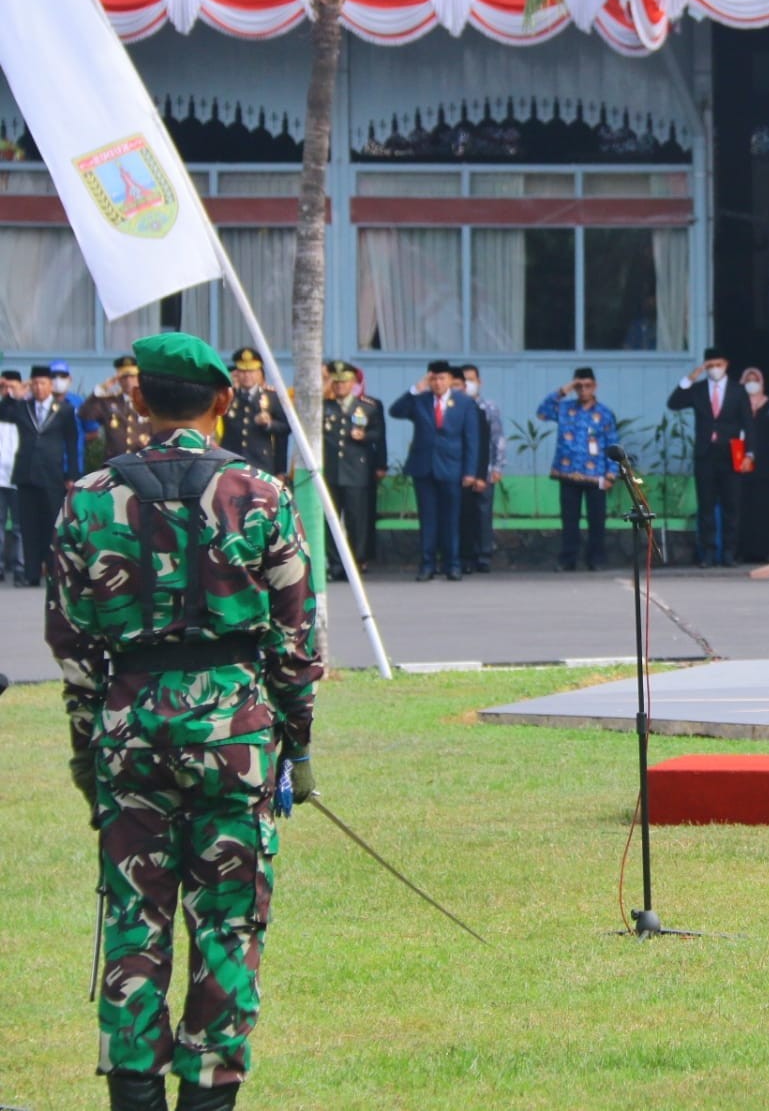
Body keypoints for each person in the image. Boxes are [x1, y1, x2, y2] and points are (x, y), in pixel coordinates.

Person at [44, 331, 322, 1111]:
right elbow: (296, 644)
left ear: (137, 398)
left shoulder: (87, 496)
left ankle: (134, 1095)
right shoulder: (261, 492)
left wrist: (86, 752)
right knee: (228, 927)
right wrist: (294, 748)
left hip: (129, 731)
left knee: (134, 919)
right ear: (223, 402)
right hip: (233, 738)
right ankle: (208, 1097)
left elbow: (69, 644)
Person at [390, 359, 479, 581]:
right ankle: (427, 564)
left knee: (451, 519)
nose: (438, 383)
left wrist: (470, 471)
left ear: (450, 379)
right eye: (434, 378)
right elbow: (395, 411)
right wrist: (415, 389)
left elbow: (472, 439)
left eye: (442, 378)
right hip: (424, 467)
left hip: (452, 468)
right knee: (427, 518)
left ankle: (452, 564)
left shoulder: (464, 403)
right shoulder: (420, 400)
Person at [667, 346, 753, 567]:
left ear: (726, 365)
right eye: (710, 366)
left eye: (718, 365)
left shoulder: (738, 391)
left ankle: (729, 553)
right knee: (706, 506)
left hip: (730, 454)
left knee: (731, 506)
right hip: (705, 454)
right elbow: (673, 403)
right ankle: (707, 552)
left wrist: (749, 454)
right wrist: (691, 377)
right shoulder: (697, 389)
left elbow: (748, 424)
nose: (715, 369)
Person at [0, 363, 80, 586]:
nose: (38, 387)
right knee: (28, 525)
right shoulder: (22, 407)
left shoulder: (63, 410)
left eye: (42, 383)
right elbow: (4, 412)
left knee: (51, 525)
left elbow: (72, 443)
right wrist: (9, 393)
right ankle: (31, 573)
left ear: (50, 385)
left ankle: (53, 571)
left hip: (52, 475)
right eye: (34, 383)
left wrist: (72, 473)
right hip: (26, 474)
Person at [537, 367, 619, 572]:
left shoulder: (605, 413)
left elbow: (612, 444)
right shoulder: (565, 409)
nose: (583, 390)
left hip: (596, 475)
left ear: (595, 386)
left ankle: (596, 559)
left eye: (587, 385)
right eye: (579, 386)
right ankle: (568, 560)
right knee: (569, 520)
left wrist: (611, 473)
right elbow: (542, 412)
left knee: (597, 520)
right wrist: (564, 390)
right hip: (568, 473)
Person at [321, 360, 386, 578]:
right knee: (330, 520)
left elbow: (378, 434)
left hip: (356, 472)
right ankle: (336, 563)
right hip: (331, 471)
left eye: (344, 382)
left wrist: (364, 436)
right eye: (336, 382)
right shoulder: (324, 407)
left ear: (352, 383)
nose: (340, 387)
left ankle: (356, 562)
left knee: (356, 521)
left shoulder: (367, 406)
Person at [736, 367, 769, 563]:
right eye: (748, 380)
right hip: (743, 464)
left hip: (768, 464)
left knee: (767, 508)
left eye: (755, 379)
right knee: (745, 508)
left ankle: (767, 550)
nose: (751, 383)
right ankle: (745, 551)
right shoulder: (738, 405)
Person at [460, 364, 505, 573]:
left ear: (479, 382)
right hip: (463, 472)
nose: (468, 384)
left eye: (472, 379)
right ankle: (466, 556)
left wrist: (496, 466)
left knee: (483, 513)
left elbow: (497, 439)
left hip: (485, 469)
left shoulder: (489, 407)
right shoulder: (457, 405)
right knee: (464, 516)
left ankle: (484, 555)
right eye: (464, 380)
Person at [220, 348, 287, 478]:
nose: (247, 375)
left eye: (251, 371)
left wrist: (269, 424)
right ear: (236, 373)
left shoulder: (271, 397)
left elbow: (285, 429)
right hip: (232, 462)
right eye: (243, 371)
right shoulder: (229, 397)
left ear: (259, 373)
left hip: (261, 464)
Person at [79, 355, 154, 461]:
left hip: (142, 461)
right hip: (115, 461)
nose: (128, 381)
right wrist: (101, 389)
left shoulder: (149, 401)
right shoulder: (109, 402)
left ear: (139, 378)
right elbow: (85, 414)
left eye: (132, 376)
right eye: (124, 377)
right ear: (118, 379)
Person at [50, 358, 93, 471]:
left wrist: (76, 440)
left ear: (70, 379)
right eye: (53, 376)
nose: (58, 380)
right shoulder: (41, 404)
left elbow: (93, 431)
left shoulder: (78, 402)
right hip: (47, 468)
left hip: (73, 466)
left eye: (63, 376)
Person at [0, 369, 22, 582]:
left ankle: (19, 567)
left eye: (12, 387)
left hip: (17, 477)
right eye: (4, 387)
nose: (8, 392)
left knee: (18, 526)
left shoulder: (25, 410)